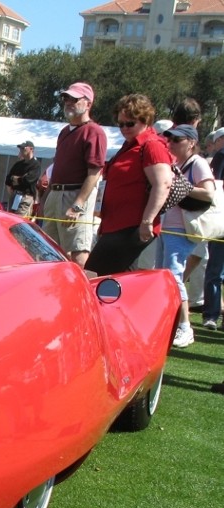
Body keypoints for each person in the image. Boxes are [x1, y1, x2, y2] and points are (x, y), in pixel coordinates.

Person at [85, 94, 173, 281]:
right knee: (119, 281)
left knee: (93, 276)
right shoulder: (129, 146)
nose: (124, 128)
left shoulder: (151, 146)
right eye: (121, 124)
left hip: (131, 227)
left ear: (145, 120)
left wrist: (147, 221)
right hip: (114, 225)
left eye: (130, 123)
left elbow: (163, 183)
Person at [157, 123, 215, 347]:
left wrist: (183, 187)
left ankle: (185, 326)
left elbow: (209, 194)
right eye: (169, 140)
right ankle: (169, 325)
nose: (171, 144)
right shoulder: (174, 164)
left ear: (191, 143)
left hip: (184, 229)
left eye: (177, 140)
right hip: (167, 227)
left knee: (173, 277)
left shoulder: (197, 163)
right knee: (165, 277)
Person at [45, 82, 106, 267]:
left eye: (75, 99)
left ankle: (81, 293)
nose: (69, 102)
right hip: (55, 195)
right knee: (47, 250)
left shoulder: (94, 131)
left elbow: (94, 172)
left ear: (88, 104)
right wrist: (47, 199)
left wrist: (78, 205)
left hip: (75, 195)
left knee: (78, 251)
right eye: (66, 98)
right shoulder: (65, 132)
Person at [203, 127, 224, 330]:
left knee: (216, 271)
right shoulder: (220, 156)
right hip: (221, 220)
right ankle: (211, 314)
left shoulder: (220, 155)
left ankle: (213, 314)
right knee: (215, 270)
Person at [4, 140, 41, 217]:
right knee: (10, 218)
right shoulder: (18, 164)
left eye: (23, 148)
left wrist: (16, 179)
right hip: (15, 195)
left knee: (19, 220)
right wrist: (18, 179)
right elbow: (8, 179)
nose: (21, 150)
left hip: (26, 197)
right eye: (20, 148)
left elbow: (28, 180)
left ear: (31, 149)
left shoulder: (35, 165)